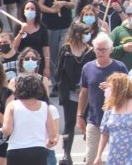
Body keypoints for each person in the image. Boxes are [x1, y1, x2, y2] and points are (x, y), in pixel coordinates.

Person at [77, 33, 128, 165]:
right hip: (94, 119)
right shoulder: (87, 67)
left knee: (117, 159)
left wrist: (113, 87)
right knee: (91, 159)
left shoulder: (120, 67)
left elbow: (128, 92)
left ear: (110, 50)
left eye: (103, 49)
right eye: (98, 49)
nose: (100, 52)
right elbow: (83, 93)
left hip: (116, 120)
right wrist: (80, 115)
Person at [55, 23, 96, 164]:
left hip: (87, 94)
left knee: (89, 123)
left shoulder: (91, 52)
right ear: (77, 34)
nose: (88, 35)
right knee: (69, 124)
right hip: (70, 93)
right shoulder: (66, 50)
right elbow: (59, 72)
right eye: (85, 32)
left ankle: (89, 151)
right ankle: (66, 153)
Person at [94, 73, 132, 165]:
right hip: (114, 157)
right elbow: (105, 133)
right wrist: (98, 155)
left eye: (110, 87)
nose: (108, 89)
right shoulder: (110, 108)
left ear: (119, 88)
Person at [2, 75, 57, 165]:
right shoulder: (44, 106)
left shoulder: (12, 105)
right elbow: (52, 133)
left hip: (16, 149)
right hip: (38, 149)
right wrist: (51, 140)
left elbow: (7, 130)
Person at [38, 0, 79, 81]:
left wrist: (63, 3)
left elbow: (73, 4)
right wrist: (51, 10)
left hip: (65, 25)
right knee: (52, 53)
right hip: (50, 25)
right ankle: (54, 79)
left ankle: (63, 79)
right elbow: (39, 4)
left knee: (63, 51)